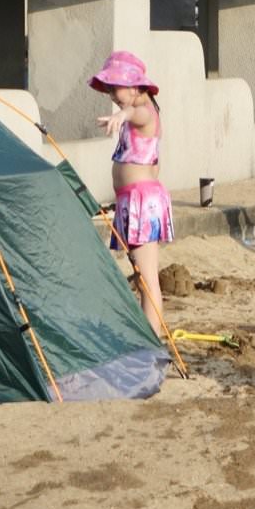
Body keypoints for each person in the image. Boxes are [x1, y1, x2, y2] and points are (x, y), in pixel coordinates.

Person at [89, 51, 173, 336]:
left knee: (147, 278)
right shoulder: (136, 116)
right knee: (141, 276)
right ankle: (147, 332)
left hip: (142, 202)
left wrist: (123, 113)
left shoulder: (144, 111)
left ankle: (153, 338)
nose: (112, 94)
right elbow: (155, 163)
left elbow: (139, 113)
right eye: (109, 88)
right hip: (133, 200)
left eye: (116, 88)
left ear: (136, 87)